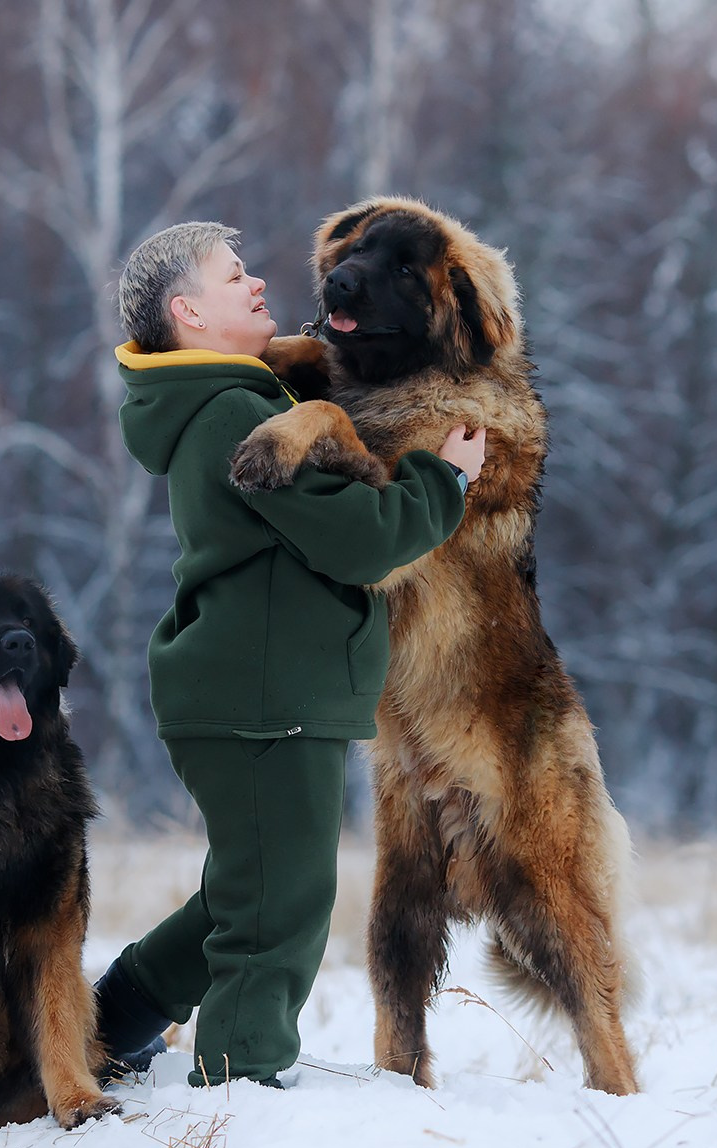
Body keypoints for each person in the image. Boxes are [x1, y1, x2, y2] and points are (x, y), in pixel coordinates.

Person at [95, 220, 485, 1088]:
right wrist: (444, 480)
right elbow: (359, 539)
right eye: (236, 278)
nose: (259, 285)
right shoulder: (239, 413)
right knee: (284, 904)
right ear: (189, 311)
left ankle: (109, 1019)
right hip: (266, 698)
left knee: (248, 891)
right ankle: (242, 1081)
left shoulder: (219, 402)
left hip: (246, 689)